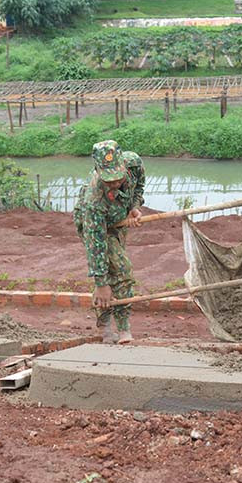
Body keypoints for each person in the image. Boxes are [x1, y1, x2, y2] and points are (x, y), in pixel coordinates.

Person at [73, 140, 145, 344]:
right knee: (121, 271)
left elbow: (139, 187)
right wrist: (100, 283)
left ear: (123, 165)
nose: (115, 183)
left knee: (114, 271)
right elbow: (95, 246)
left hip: (118, 219)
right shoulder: (93, 200)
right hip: (95, 227)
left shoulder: (134, 163)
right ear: (98, 171)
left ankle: (103, 323)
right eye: (109, 180)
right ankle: (122, 329)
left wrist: (134, 206)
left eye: (118, 178)